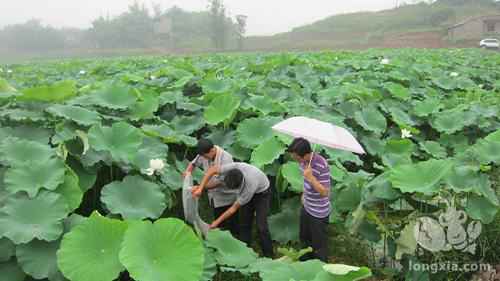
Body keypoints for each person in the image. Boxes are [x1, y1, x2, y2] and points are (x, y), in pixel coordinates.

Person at [192, 162, 274, 258]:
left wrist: (216, 222)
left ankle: (269, 255)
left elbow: (233, 209)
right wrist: (200, 188)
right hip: (249, 188)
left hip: (261, 194)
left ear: (239, 186)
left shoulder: (249, 186)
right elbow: (212, 170)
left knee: (261, 226)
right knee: (244, 223)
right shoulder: (232, 168)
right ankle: (245, 252)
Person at [184, 139, 239, 238]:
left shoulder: (226, 159)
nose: (204, 158)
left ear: (212, 150)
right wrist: (187, 173)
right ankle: (221, 242)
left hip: (226, 196)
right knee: (219, 221)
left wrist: (200, 187)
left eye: (205, 156)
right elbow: (193, 163)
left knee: (231, 224)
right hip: (214, 196)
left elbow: (220, 182)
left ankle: (234, 241)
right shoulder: (204, 153)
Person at [287, 137, 331, 263]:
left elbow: (325, 193)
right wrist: (304, 193)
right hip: (306, 206)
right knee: (304, 239)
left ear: (306, 154)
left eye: (297, 157)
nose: (295, 159)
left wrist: (311, 178)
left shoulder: (321, 164)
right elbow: (306, 182)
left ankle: (320, 270)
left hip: (319, 212)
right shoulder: (303, 162)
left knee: (319, 246)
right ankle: (305, 266)